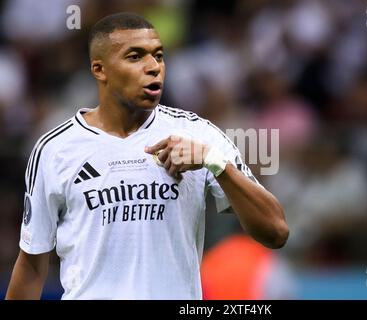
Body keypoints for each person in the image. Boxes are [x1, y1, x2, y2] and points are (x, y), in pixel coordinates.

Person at [5, 12, 289, 300]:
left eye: (159, 56)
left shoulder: (198, 135)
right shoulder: (56, 149)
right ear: (99, 69)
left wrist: (215, 163)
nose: (154, 67)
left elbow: (276, 232)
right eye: (135, 56)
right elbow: (31, 265)